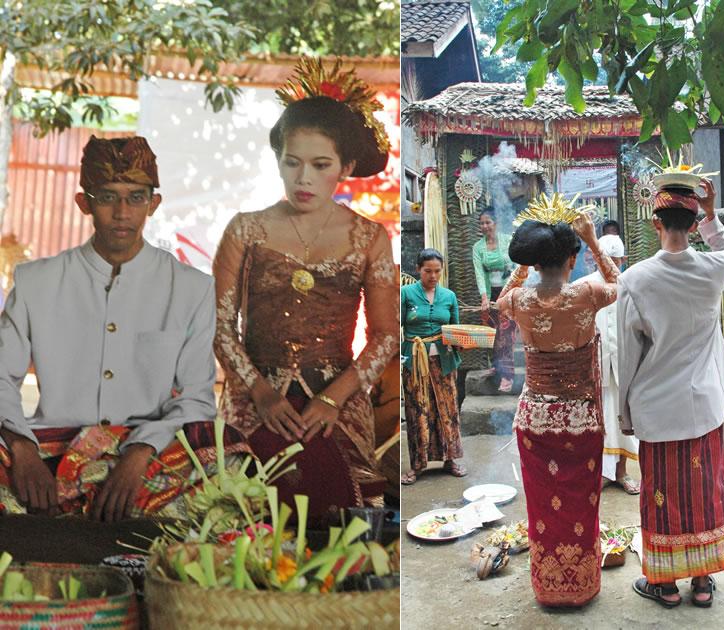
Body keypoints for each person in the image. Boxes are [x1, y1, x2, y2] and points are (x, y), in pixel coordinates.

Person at [0, 135, 251, 521]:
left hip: (148, 451)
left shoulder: (189, 288)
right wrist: (21, 447)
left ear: (154, 204)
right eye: (107, 197)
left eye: (135, 197)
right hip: (53, 448)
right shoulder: (37, 282)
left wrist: (138, 454)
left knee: (227, 457)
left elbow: (196, 398)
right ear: (85, 203)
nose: (122, 212)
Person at [213, 59, 399, 523]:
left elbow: (385, 337)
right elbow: (219, 325)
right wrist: (259, 391)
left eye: (321, 165)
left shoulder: (370, 237)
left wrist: (333, 398)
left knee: (341, 525)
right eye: (292, 163)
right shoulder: (245, 230)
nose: (304, 178)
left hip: (336, 399)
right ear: (278, 159)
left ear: (346, 167)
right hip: (252, 398)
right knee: (239, 516)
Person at [616, 179, 724, 608]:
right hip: (704, 404)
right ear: (692, 220)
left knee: (661, 495)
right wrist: (712, 214)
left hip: (657, 408)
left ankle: (664, 585)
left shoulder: (634, 280)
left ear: (655, 222)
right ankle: (702, 582)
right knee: (706, 490)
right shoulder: (714, 270)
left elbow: (628, 355)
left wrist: (624, 411)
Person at [495, 208, 619, 608]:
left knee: (541, 506)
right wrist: (593, 242)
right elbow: (620, 285)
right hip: (580, 418)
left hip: (535, 418)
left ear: (534, 263)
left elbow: (500, 301)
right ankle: (580, 585)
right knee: (581, 503)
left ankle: (549, 586)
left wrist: (521, 271)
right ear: (571, 259)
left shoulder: (519, 300)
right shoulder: (587, 294)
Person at [400, 249, 465, 484]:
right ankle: (418, 464)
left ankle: (451, 459)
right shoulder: (405, 294)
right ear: (419, 269)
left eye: (437, 271)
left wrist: (462, 343)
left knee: (447, 409)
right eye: (428, 271)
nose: (433, 275)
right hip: (415, 362)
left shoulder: (449, 296)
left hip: (444, 361)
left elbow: (455, 330)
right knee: (417, 410)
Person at [582, 234, 637, 495]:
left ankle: (621, 472)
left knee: (623, 419)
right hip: (595, 367)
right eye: (608, 260)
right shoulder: (583, 286)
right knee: (597, 422)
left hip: (624, 365)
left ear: (623, 260)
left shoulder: (630, 285)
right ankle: (599, 474)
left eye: (617, 261)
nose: (613, 266)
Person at [472, 210, 517, 393]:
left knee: (506, 335)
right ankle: (498, 366)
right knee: (493, 332)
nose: (485, 226)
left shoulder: (507, 240)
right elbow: (479, 273)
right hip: (491, 294)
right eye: (482, 223)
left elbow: (517, 267)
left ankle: (507, 375)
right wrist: (484, 297)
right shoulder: (478, 247)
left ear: (495, 223)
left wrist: (509, 294)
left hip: (509, 292)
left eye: (488, 222)